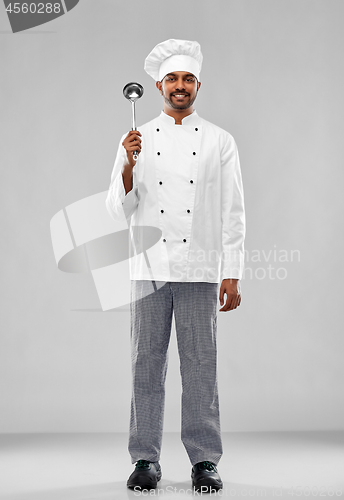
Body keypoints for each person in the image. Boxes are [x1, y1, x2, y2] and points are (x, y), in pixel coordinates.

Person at [105, 39, 246, 493]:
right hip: (147, 268)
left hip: (200, 267)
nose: (179, 86)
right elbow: (116, 211)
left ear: (198, 85)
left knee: (200, 366)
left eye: (187, 79)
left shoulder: (220, 141)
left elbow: (233, 211)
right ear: (159, 86)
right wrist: (128, 164)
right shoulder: (137, 138)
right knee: (145, 365)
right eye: (172, 79)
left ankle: (205, 460)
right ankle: (144, 458)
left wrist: (232, 270)